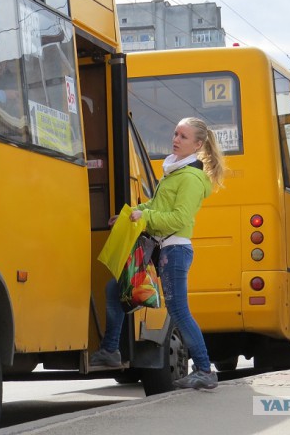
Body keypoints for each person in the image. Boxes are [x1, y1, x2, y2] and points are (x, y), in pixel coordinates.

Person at [91, 117, 225, 390]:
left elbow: (178, 218)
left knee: (178, 311)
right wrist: (129, 214)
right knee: (115, 289)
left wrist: (145, 215)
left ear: (198, 144)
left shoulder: (190, 178)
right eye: (176, 133)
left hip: (174, 251)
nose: (176, 139)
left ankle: (204, 369)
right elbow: (157, 203)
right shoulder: (175, 172)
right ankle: (110, 350)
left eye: (183, 137)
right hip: (160, 249)